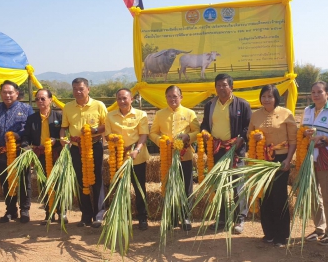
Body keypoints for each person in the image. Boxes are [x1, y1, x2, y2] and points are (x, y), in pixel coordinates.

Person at [200, 73, 252, 234]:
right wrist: (204, 132)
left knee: (238, 184)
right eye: (218, 85)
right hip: (217, 150)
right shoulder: (210, 105)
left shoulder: (242, 104)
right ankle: (222, 218)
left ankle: (240, 219)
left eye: (224, 85)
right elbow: (204, 125)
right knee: (220, 184)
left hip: (236, 150)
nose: (221, 88)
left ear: (231, 87)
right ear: (215, 87)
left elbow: (248, 127)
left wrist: (241, 139)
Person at [248, 84, 297, 247]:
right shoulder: (255, 115)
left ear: (276, 97)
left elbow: (293, 141)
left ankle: (282, 235)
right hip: (262, 159)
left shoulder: (286, 114)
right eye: (264, 96)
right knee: (265, 196)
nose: (266, 99)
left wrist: (288, 160)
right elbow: (250, 134)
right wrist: (255, 137)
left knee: (279, 196)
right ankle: (268, 233)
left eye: (270, 96)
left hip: (280, 159)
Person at [149, 85, 200, 231]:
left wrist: (188, 137)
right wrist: (161, 141)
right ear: (166, 98)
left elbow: (197, 131)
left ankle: (185, 216)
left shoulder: (190, 113)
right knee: (168, 186)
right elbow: (152, 133)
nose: (172, 99)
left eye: (175, 96)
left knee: (186, 187)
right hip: (167, 157)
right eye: (169, 96)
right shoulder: (159, 114)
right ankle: (171, 216)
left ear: (181, 97)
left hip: (185, 156)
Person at [0, 80, 34, 223]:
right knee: (5, 182)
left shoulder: (26, 108)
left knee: (24, 181)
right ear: (0, 93)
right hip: (0, 152)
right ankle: (11, 211)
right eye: (4, 92)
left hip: (19, 151)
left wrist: (19, 134)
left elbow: (30, 129)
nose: (7, 95)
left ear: (17, 93)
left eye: (10, 92)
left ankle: (25, 210)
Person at [60, 78, 107, 228]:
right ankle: (86, 215)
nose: (77, 92)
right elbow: (64, 127)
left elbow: (106, 125)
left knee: (97, 179)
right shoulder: (68, 107)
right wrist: (62, 138)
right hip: (76, 148)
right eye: (74, 89)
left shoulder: (98, 105)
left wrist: (94, 131)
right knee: (80, 180)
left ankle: (99, 214)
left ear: (88, 89)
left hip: (94, 146)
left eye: (80, 89)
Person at [301, 81, 328, 245]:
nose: (316, 95)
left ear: (327, 94)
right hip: (309, 159)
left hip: (327, 159)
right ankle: (319, 227)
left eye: (319, 92)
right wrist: (305, 133)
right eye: (313, 92)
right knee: (312, 194)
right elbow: (302, 131)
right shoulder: (307, 110)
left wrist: (324, 138)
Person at [105, 88, 150, 230]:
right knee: (120, 188)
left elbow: (143, 135)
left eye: (125, 98)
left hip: (137, 157)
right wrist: (115, 142)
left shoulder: (141, 114)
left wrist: (136, 149)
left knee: (139, 188)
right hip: (118, 158)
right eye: (119, 98)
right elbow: (107, 136)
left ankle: (142, 218)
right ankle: (121, 217)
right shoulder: (110, 116)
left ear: (131, 99)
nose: (122, 101)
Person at [20, 89, 65, 224]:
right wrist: (26, 147)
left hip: (56, 154)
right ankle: (49, 212)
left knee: (59, 183)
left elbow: (65, 134)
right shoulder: (32, 118)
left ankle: (62, 212)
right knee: (44, 183)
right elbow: (26, 137)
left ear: (50, 100)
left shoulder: (59, 116)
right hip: (40, 155)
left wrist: (56, 140)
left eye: (43, 99)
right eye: (37, 99)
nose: (40, 101)